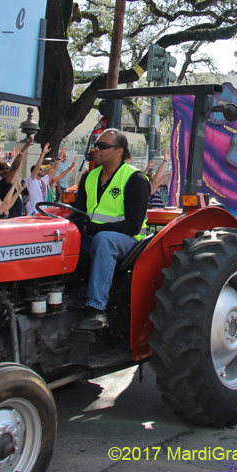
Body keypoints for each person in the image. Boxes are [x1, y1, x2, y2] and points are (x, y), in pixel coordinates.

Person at [72, 129, 150, 330]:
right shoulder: (89, 177)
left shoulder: (136, 180)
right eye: (96, 145)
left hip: (130, 241)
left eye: (103, 146)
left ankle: (97, 309)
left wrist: (94, 229)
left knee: (104, 240)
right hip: (95, 236)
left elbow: (133, 225)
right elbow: (79, 214)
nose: (96, 149)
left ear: (119, 151)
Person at [0, 138, 33, 218]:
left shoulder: (10, 182)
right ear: (1, 171)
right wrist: (22, 151)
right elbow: (14, 168)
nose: (9, 169)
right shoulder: (3, 183)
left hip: (16, 215)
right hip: (10, 216)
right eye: (7, 168)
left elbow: (16, 168)